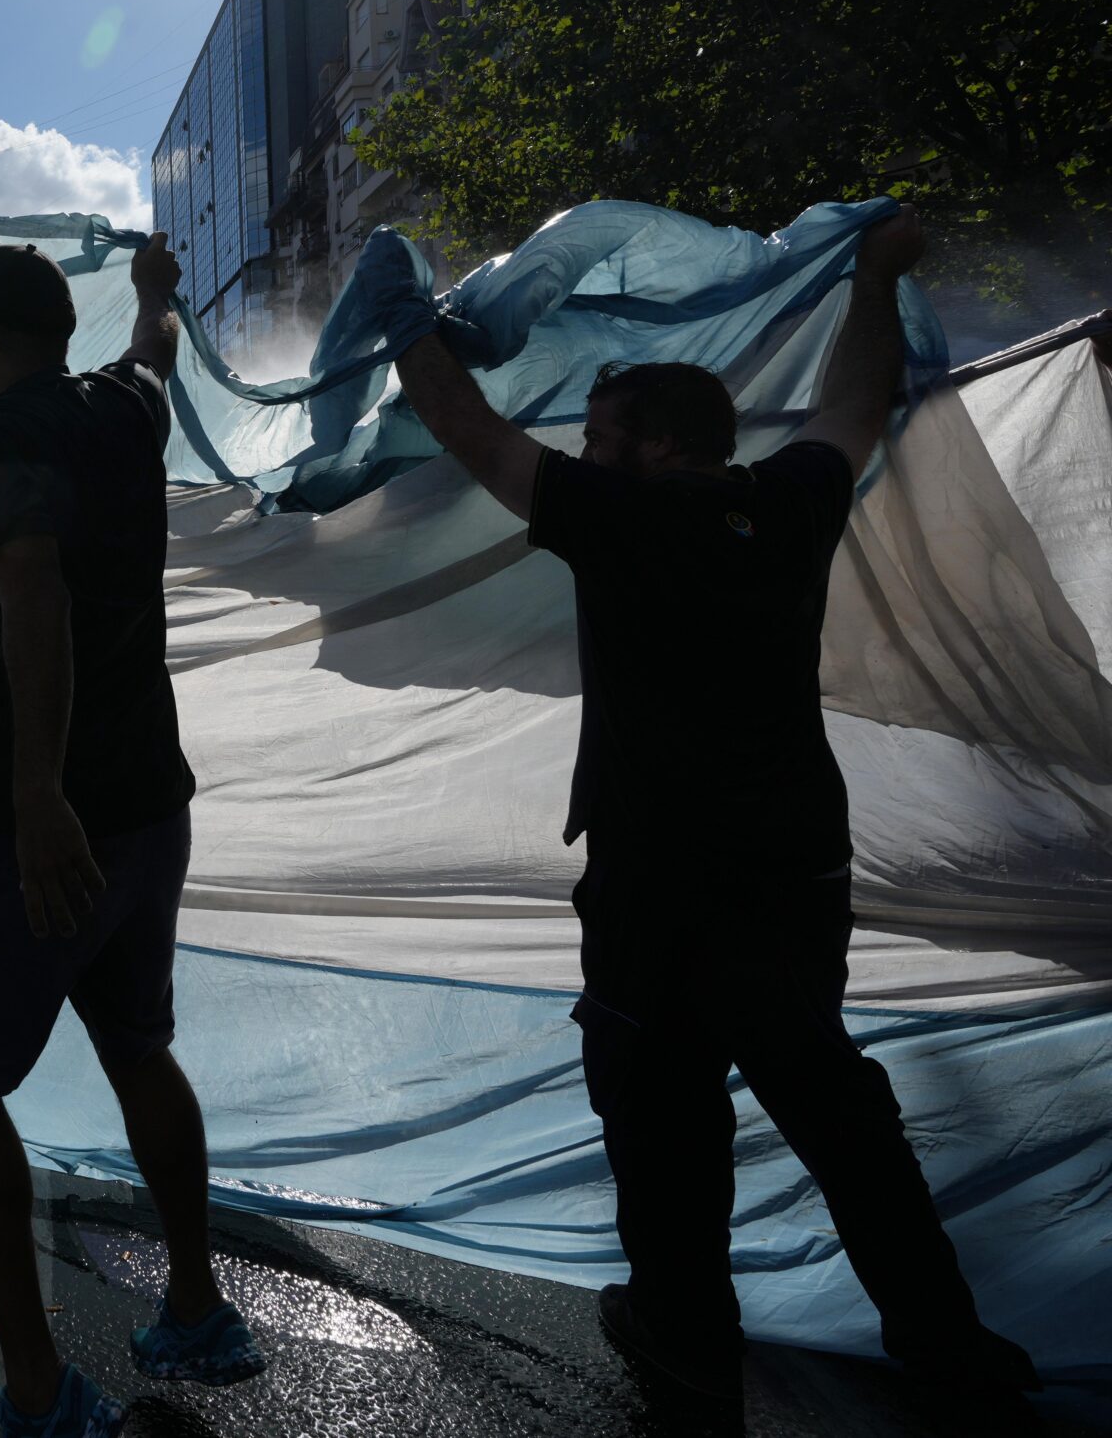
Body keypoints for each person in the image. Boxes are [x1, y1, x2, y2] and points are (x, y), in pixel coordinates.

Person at [389, 205, 1039, 1401]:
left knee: (661, 1116)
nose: (582, 455)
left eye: (598, 435)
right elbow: (855, 406)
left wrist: (398, 327)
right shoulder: (786, 505)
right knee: (834, 1106)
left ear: (654, 448)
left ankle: (685, 1336)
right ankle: (948, 1345)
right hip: (791, 869)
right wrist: (874, 278)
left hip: (657, 885)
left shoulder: (621, 518)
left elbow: (468, 435)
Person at [0, 236, 259, 1438]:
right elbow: (155, 355)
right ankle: (199, 1306)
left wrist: (36, 796)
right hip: (149, 807)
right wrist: (155, 294)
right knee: (138, 1047)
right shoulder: (121, 410)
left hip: (32, 827)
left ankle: (35, 1392)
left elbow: (31, 586)